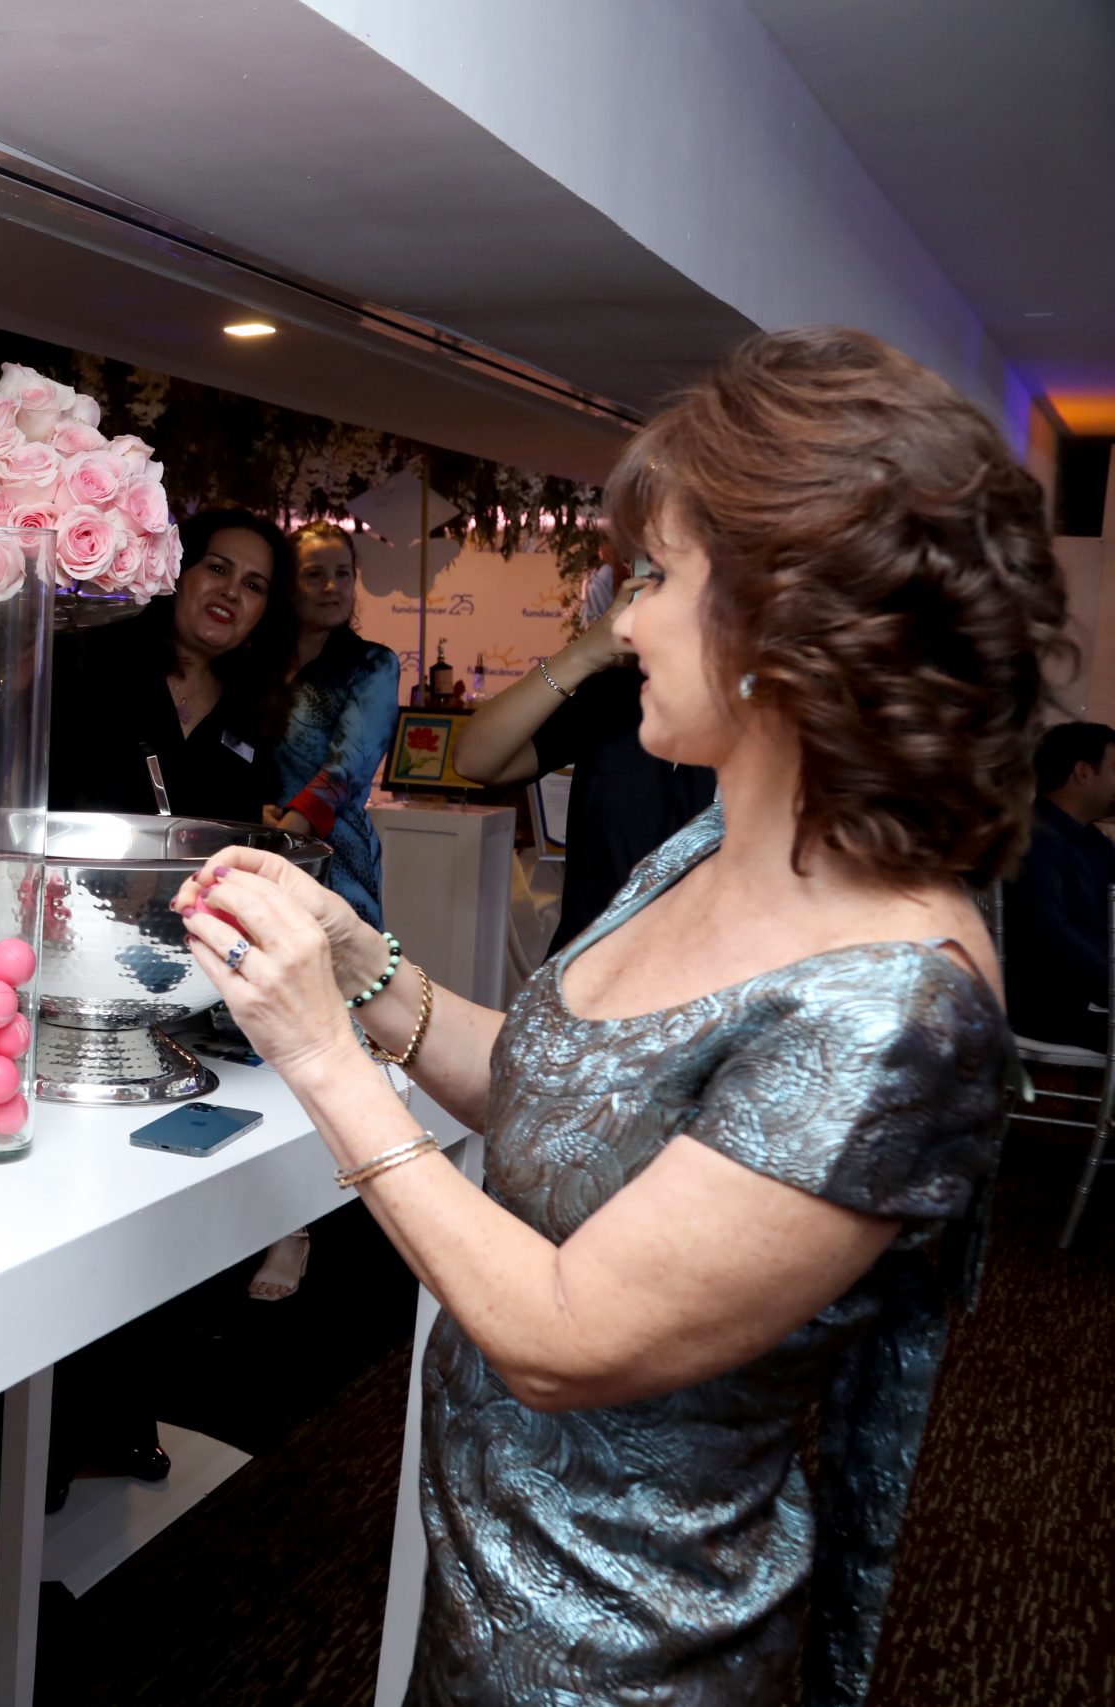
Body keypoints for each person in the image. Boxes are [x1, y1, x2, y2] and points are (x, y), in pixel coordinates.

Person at [175, 327, 1058, 1704]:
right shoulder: (706, 846)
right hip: (489, 1580)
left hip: (622, 1650)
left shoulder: (894, 1006)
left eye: (657, 578)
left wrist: (317, 1052)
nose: (624, 622)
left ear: (786, 623)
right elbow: (553, 1089)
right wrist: (359, 967)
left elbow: (563, 1334)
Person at [455, 549, 718, 952]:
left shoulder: (778, 716)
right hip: (584, 965)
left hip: (706, 973)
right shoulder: (618, 692)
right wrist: (583, 654)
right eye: (655, 573)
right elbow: (474, 759)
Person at [48, 507, 294, 820]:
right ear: (177, 570)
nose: (231, 592)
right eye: (218, 569)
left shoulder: (256, 708)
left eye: (253, 585)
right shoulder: (90, 660)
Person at [271, 524, 400, 925]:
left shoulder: (373, 664)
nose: (332, 586)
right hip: (254, 839)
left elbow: (348, 768)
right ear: (287, 585)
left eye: (343, 573)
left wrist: (288, 834)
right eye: (314, 574)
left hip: (336, 855)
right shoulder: (255, 665)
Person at [1003, 721, 1115, 1046]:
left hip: (1088, 994)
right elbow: (1051, 932)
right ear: (1083, 772)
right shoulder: (1034, 837)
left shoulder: (1092, 841)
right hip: (1050, 1007)